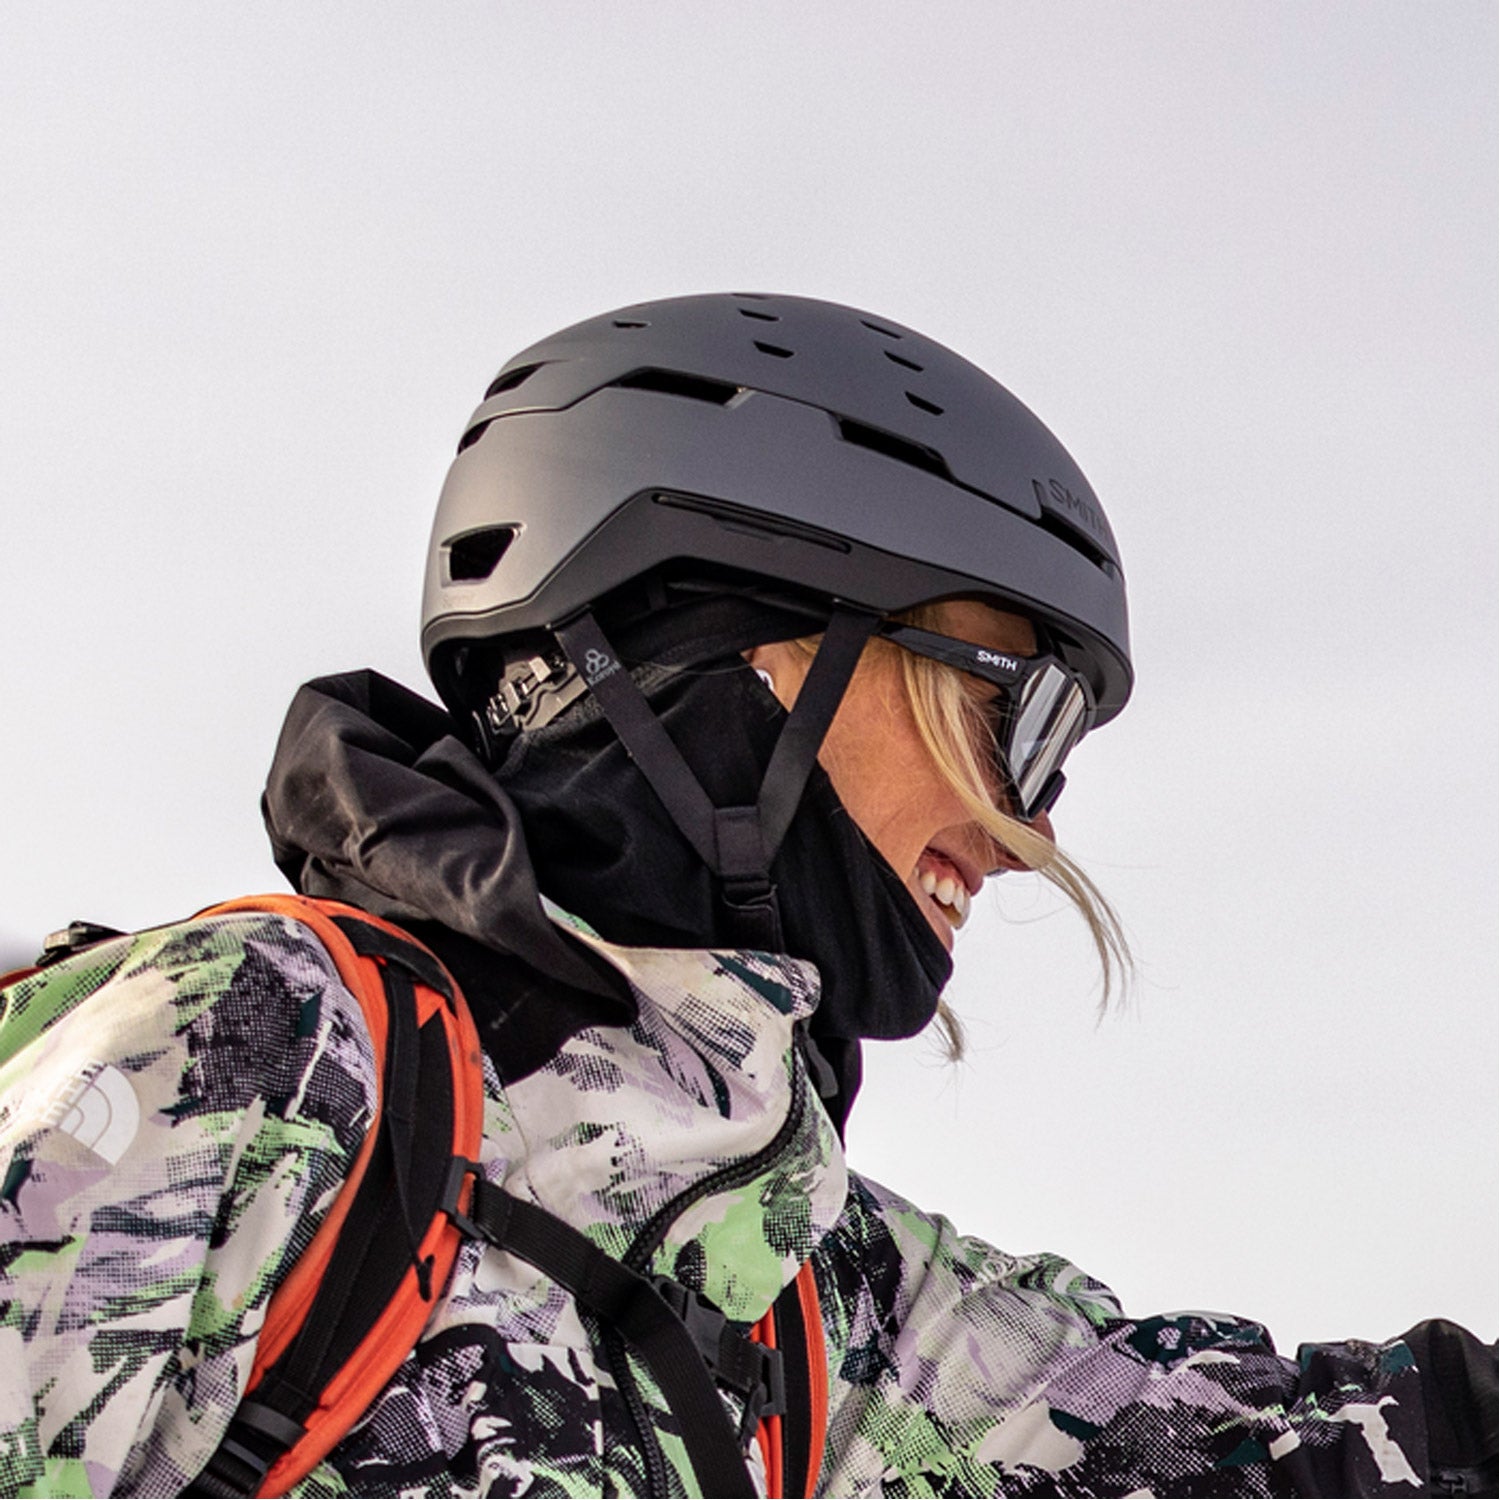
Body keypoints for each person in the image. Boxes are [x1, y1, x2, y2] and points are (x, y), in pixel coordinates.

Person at [0, 293, 1492, 1498]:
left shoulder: (802, 1288)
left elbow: (1241, 1453)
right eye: (1016, 714)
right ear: (761, 646)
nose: (1031, 832)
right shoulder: (258, 1052)